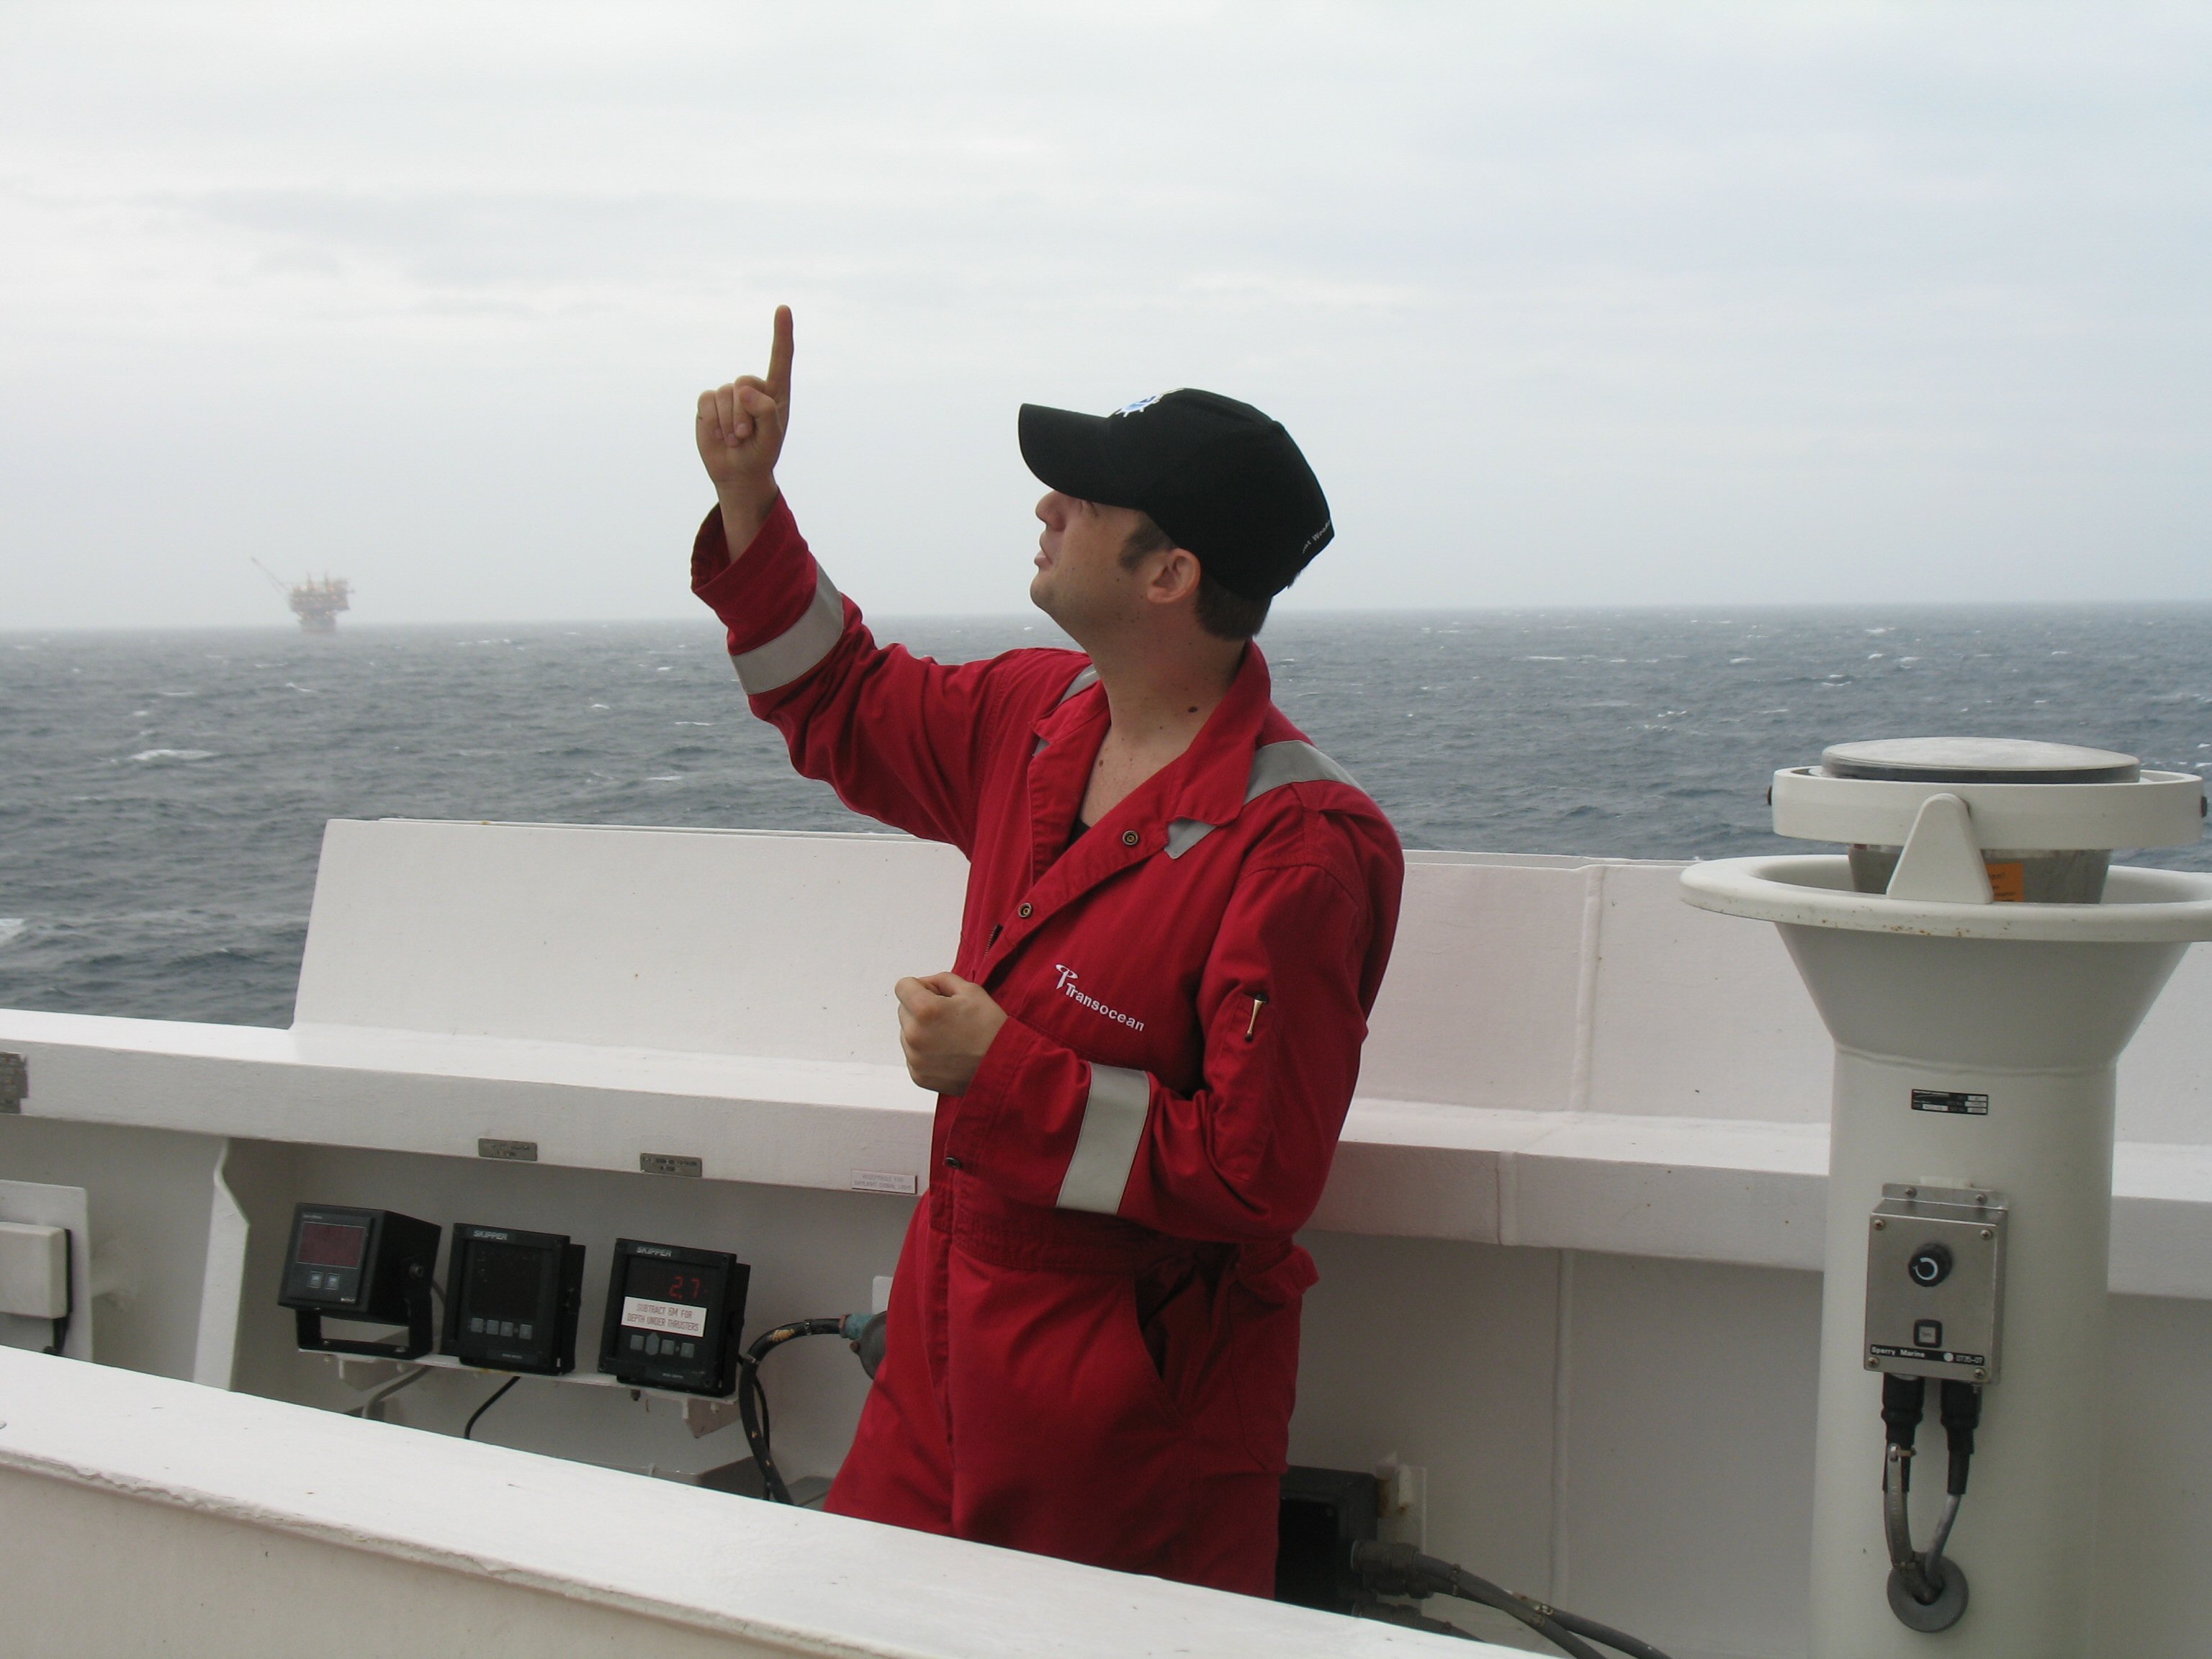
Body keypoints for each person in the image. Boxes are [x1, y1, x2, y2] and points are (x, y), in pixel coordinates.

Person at [691, 306, 1403, 1596]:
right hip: (940, 1371)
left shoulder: (1299, 851)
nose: (1046, 505)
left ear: (1167, 574)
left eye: (1082, 496)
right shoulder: (1037, 714)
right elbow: (839, 698)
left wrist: (1003, 1068)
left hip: (1129, 1443)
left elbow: (1256, 1178)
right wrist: (752, 502)